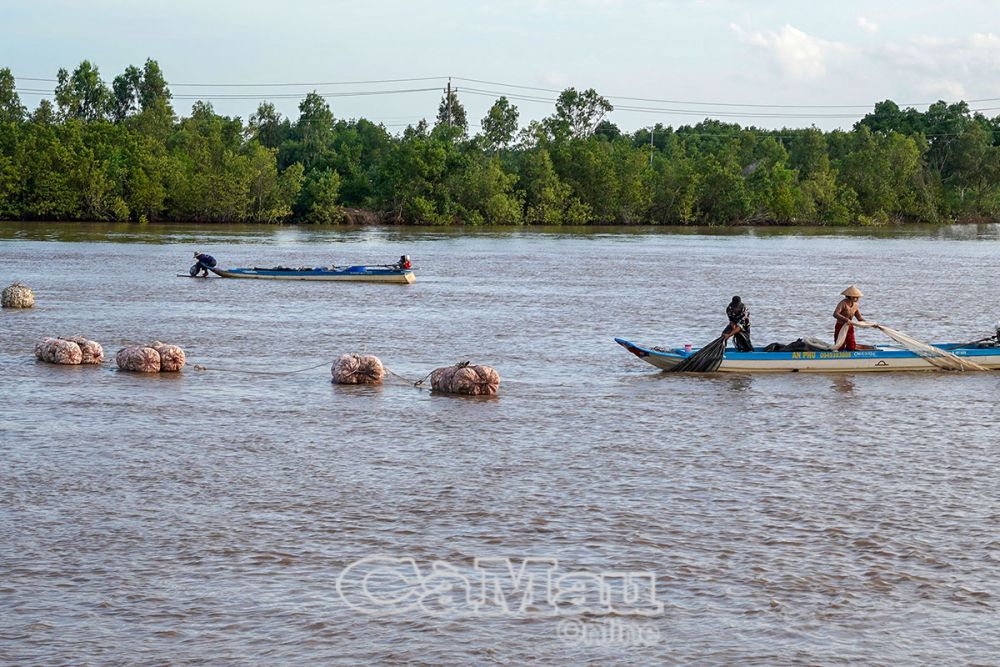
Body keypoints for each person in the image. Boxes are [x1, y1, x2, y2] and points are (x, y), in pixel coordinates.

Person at [833, 285, 872, 351]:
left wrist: (870, 323)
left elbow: (859, 318)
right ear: (851, 297)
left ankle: (851, 357)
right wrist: (846, 319)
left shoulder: (855, 305)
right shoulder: (843, 303)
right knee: (840, 345)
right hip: (840, 326)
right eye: (857, 297)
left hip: (849, 327)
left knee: (851, 345)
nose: (858, 298)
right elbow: (835, 314)